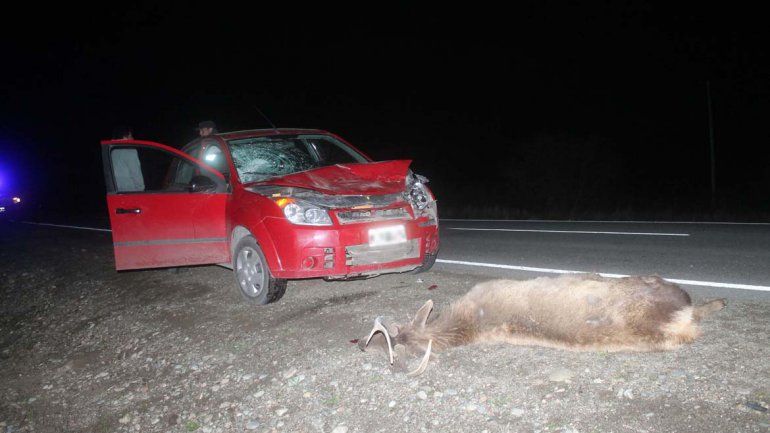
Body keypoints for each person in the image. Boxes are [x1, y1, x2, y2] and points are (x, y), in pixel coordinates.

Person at [110, 126, 144, 192]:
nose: (133, 139)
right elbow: (139, 182)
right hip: (130, 195)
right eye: (131, 136)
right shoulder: (129, 151)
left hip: (115, 196)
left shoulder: (111, 151)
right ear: (125, 137)